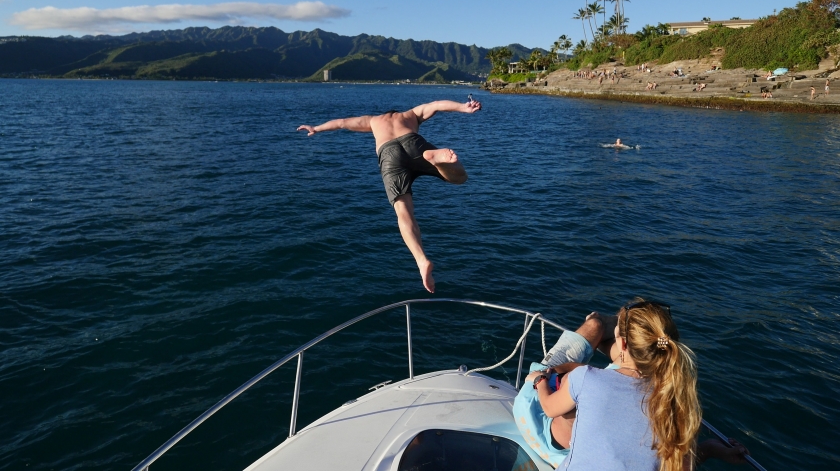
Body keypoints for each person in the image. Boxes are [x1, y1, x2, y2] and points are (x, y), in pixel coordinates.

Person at [516, 300, 751, 470]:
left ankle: (602, 325)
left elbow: (547, 407)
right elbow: (673, 463)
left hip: (551, 438)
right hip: (631, 361)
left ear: (623, 343)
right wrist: (709, 449)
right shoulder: (676, 404)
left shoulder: (587, 378)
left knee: (594, 328)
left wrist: (538, 380)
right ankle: (616, 330)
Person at [297, 98, 481, 292]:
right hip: (414, 143)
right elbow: (435, 105)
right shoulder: (409, 115)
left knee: (404, 211)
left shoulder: (373, 121)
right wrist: (463, 108)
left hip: (389, 154)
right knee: (459, 178)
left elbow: (342, 122)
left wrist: (316, 128)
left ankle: (421, 260)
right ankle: (436, 161)